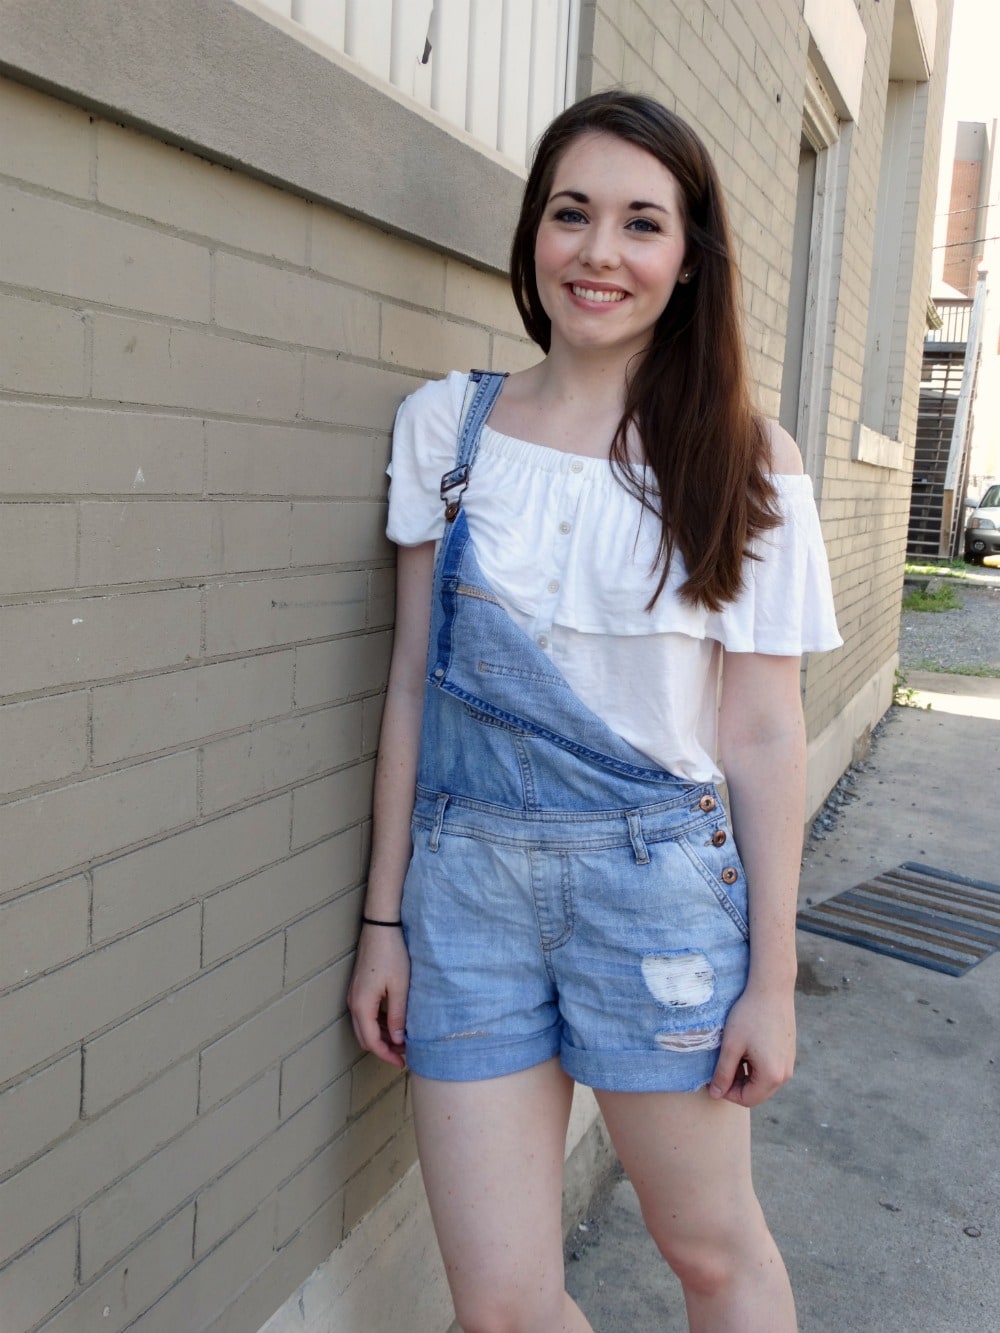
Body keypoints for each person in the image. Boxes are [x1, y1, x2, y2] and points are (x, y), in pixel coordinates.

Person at [347, 90, 841, 1332]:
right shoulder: (446, 430)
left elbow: (763, 732)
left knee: (715, 1255)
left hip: (656, 895)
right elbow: (414, 682)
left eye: (640, 224)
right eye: (572, 215)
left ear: (689, 258)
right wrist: (384, 920)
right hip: (464, 900)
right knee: (502, 1308)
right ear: (532, 235)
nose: (600, 254)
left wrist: (769, 979)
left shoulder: (745, 460)